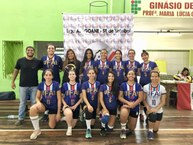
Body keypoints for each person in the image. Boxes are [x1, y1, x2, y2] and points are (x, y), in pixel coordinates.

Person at [11, 46, 42, 126]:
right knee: (22, 103)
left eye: (32, 50)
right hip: (23, 86)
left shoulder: (37, 62)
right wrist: (12, 81)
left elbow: (45, 70)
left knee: (34, 102)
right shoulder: (20, 61)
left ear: (34, 52)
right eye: (28, 50)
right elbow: (16, 71)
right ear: (26, 51)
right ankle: (21, 119)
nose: (30, 51)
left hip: (34, 86)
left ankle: (34, 117)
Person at [29, 69, 61, 140]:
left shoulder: (56, 84)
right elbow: (37, 97)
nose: (48, 76)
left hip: (53, 106)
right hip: (44, 105)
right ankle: (37, 130)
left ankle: (54, 116)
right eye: (46, 75)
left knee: (52, 126)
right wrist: (38, 102)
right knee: (32, 109)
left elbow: (59, 99)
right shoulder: (41, 84)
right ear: (44, 76)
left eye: (50, 75)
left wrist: (58, 113)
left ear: (52, 76)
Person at [118, 70, 143, 139]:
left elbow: (141, 97)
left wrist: (133, 104)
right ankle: (123, 129)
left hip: (134, 106)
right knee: (124, 112)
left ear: (135, 76)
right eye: (129, 74)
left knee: (132, 128)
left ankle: (127, 122)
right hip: (126, 105)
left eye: (132, 74)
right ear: (127, 76)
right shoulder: (123, 85)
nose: (131, 75)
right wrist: (128, 103)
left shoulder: (138, 85)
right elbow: (120, 97)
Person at [41, 43, 63, 121]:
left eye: (52, 48)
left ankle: (55, 111)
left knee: (55, 97)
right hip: (45, 81)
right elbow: (41, 68)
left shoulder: (59, 58)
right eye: (49, 48)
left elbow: (61, 68)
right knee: (46, 96)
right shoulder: (43, 58)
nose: (51, 50)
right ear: (47, 50)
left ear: (55, 50)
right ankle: (45, 112)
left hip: (55, 80)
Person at [143, 70, 166, 140]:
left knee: (155, 130)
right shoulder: (146, 87)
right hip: (148, 108)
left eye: (156, 76)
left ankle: (148, 121)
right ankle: (150, 131)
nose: (154, 78)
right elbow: (143, 99)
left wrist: (156, 109)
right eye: (152, 76)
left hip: (158, 109)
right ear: (150, 77)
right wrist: (148, 107)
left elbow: (163, 101)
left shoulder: (162, 88)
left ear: (159, 77)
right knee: (153, 116)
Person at [61, 70, 82, 136]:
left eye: (73, 74)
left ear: (76, 76)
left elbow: (82, 97)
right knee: (69, 113)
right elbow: (61, 97)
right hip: (67, 106)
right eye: (70, 74)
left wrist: (76, 105)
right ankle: (69, 128)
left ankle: (66, 118)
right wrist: (65, 104)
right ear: (68, 76)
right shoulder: (64, 85)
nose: (72, 76)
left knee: (73, 125)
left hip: (76, 107)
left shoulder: (79, 85)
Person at [139, 50, 158, 122]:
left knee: (149, 100)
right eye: (143, 55)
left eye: (145, 55)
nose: (144, 57)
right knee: (142, 100)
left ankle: (149, 115)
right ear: (141, 57)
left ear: (148, 56)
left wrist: (156, 84)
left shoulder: (153, 64)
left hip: (151, 85)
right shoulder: (140, 65)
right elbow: (138, 73)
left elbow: (157, 74)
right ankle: (141, 115)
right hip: (142, 84)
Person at [82, 68, 100, 139]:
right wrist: (88, 105)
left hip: (95, 104)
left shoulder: (98, 84)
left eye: (93, 73)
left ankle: (85, 117)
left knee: (92, 124)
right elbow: (84, 96)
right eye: (90, 73)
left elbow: (99, 96)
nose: (91, 75)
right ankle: (88, 130)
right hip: (87, 104)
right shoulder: (84, 84)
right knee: (88, 110)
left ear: (95, 74)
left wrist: (98, 107)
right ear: (87, 74)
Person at [99, 71, 119, 136]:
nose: (111, 77)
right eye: (109, 76)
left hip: (113, 108)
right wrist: (104, 109)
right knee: (105, 117)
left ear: (114, 77)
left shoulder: (116, 86)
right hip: (105, 107)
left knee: (110, 128)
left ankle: (107, 122)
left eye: (112, 76)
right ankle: (102, 127)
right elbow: (101, 99)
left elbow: (118, 98)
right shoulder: (102, 86)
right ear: (107, 77)